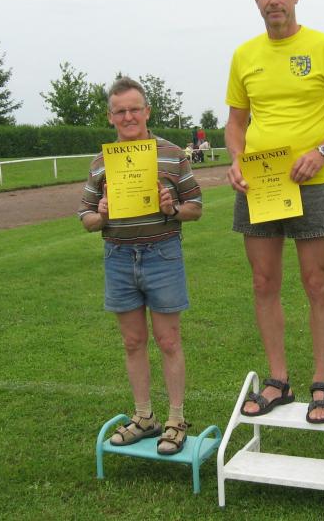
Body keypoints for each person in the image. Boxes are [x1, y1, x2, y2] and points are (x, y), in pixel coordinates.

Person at [225, 0, 324, 423]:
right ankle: (278, 380)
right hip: (260, 184)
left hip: (313, 183)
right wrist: (235, 158)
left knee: (316, 282)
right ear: (256, 1)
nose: (273, 0)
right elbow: (236, 123)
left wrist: (322, 152)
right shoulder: (244, 55)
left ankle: (322, 382)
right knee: (263, 283)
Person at [78, 76, 202, 454]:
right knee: (133, 342)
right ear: (110, 117)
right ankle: (144, 416)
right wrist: (101, 214)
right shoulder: (101, 162)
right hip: (118, 256)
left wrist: (172, 208)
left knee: (168, 341)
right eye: (120, 111)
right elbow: (85, 217)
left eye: (134, 109)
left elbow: (196, 207)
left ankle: (176, 419)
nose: (128, 117)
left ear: (147, 111)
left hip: (162, 253)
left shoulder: (172, 154)